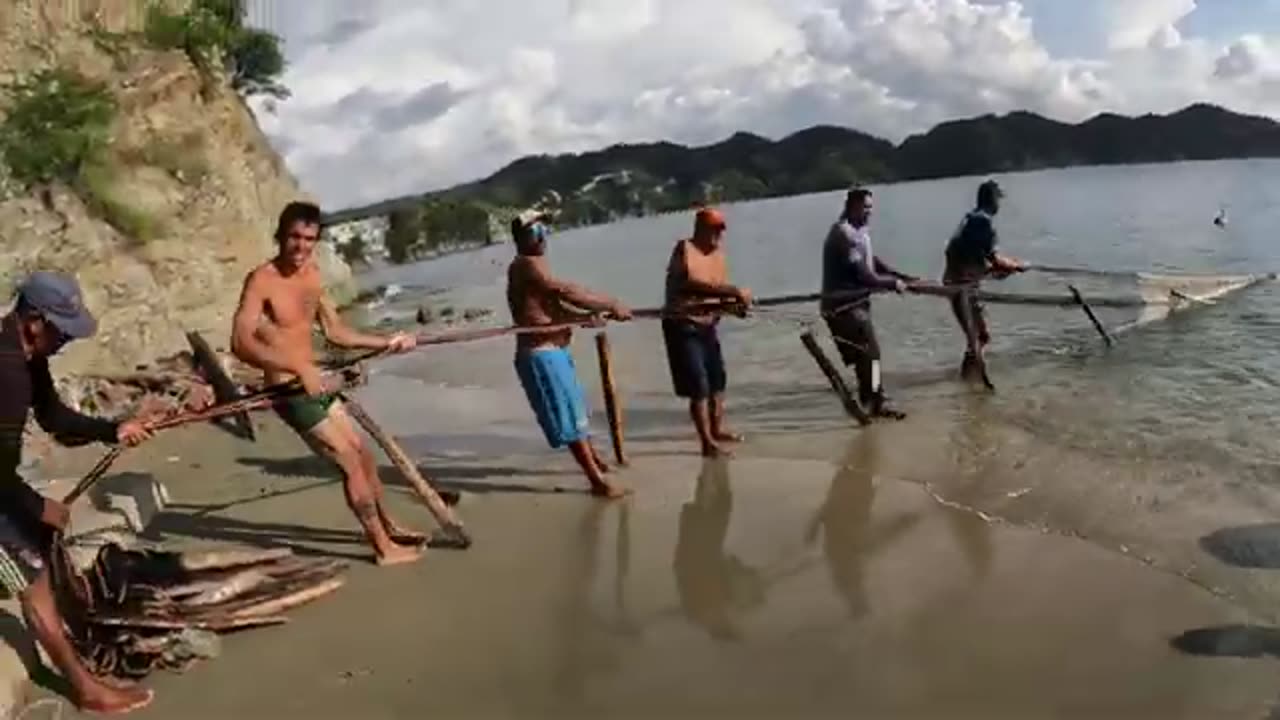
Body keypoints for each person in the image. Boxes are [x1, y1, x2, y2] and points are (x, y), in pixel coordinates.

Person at [230, 201, 424, 566]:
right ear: (280, 236)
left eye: (309, 239)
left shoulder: (313, 276)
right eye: (294, 237)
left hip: (317, 384)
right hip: (288, 391)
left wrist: (386, 342)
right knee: (349, 462)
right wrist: (295, 366)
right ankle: (383, 548)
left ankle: (389, 526)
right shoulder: (261, 281)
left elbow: (335, 332)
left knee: (363, 455)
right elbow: (240, 343)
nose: (301, 247)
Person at [0, 272, 157, 714]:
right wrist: (39, 506)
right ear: (33, 320)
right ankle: (86, 689)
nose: (66, 340)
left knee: (37, 566)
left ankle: (81, 673)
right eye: (61, 330)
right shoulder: (7, 371)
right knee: (32, 581)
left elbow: (53, 416)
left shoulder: (27, 354)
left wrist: (112, 429)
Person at [506, 210, 632, 498]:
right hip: (540, 354)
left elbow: (557, 308)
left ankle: (596, 463)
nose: (543, 235)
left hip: (555, 351)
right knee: (568, 421)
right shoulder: (525, 265)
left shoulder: (537, 265)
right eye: (538, 230)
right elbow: (565, 292)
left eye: (544, 230)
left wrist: (588, 315)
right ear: (526, 236)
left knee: (575, 415)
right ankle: (596, 482)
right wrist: (610, 304)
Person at [820, 187, 918, 420]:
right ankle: (877, 400)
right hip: (843, 306)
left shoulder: (858, 231)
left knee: (865, 355)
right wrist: (893, 284)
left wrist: (900, 275)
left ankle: (870, 399)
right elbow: (867, 276)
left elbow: (872, 262)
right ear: (853, 206)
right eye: (866, 207)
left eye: (871, 208)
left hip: (856, 303)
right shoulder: (842, 234)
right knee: (871, 354)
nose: (870, 212)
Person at [662, 208, 752, 457]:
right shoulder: (684, 249)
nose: (718, 235)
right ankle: (706, 442)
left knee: (717, 381)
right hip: (683, 324)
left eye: (720, 230)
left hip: (707, 324)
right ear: (699, 229)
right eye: (713, 229)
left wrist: (735, 308)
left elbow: (718, 294)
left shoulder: (718, 256)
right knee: (698, 385)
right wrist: (732, 292)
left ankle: (717, 429)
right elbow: (687, 283)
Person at [943, 179, 1027, 379]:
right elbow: (995, 260)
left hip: (959, 283)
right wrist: (1016, 266)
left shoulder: (971, 218)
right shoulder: (983, 221)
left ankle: (969, 387)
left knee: (979, 337)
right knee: (980, 337)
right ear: (992, 199)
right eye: (998, 199)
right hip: (961, 288)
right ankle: (971, 381)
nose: (1000, 205)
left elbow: (975, 258)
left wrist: (1005, 267)